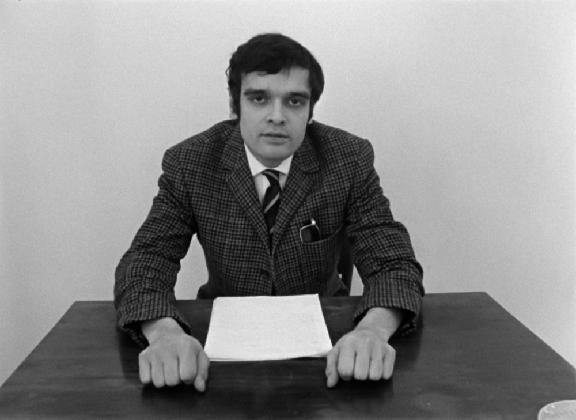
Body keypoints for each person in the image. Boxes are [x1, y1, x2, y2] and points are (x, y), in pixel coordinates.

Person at [114, 32, 424, 391]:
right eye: (259, 98)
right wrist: (164, 333)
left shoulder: (347, 159)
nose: (277, 116)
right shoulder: (191, 163)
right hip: (221, 345)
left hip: (330, 339)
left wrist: (373, 331)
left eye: (294, 101)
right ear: (236, 105)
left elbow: (394, 263)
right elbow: (147, 260)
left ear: (310, 111)